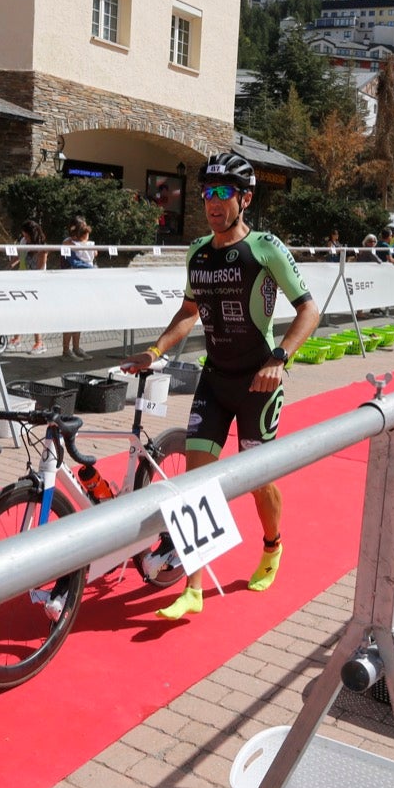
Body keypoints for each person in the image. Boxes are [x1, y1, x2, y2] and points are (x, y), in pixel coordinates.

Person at [122, 151, 319, 621]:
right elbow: (189, 312)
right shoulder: (197, 252)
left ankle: (272, 545)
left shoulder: (266, 248)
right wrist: (154, 351)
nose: (212, 202)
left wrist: (279, 358)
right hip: (214, 379)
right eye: (207, 192)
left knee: (258, 482)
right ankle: (193, 585)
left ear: (244, 199)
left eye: (222, 193)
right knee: (194, 481)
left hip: (258, 384)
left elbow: (309, 310)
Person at [60, 216, 95, 359]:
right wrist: (93, 269)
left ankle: (76, 347)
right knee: (70, 316)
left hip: (82, 283)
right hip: (70, 284)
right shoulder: (67, 243)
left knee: (80, 316)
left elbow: (93, 255)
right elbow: (74, 262)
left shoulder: (83, 243)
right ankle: (66, 350)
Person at [13, 219, 49, 354]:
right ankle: (16, 338)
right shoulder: (23, 242)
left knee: (34, 312)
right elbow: (20, 258)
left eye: (27, 236)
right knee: (19, 309)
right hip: (22, 280)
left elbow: (40, 268)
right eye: (24, 235)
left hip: (36, 283)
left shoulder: (42, 248)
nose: (25, 238)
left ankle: (39, 343)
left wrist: (32, 282)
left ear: (33, 235)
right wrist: (11, 266)